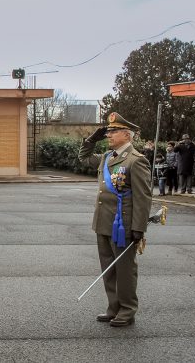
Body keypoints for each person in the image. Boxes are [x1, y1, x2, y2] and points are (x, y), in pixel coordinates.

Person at [78, 112, 150, 327]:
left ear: (127, 135)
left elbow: (143, 197)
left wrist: (139, 228)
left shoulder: (136, 161)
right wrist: (91, 140)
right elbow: (83, 158)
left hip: (123, 225)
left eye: (113, 131)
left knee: (125, 270)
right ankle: (114, 307)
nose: (108, 134)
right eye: (108, 131)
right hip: (103, 222)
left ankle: (127, 310)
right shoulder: (107, 157)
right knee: (108, 268)